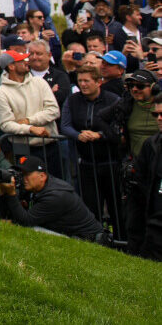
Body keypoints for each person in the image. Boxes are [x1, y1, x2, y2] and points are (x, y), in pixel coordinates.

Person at [59, 64, 126, 232]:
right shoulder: (73, 100)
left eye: (87, 81)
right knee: (90, 205)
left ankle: (120, 240)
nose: (83, 84)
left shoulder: (113, 100)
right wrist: (78, 135)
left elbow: (118, 129)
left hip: (110, 162)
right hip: (87, 163)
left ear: (98, 82)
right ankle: (95, 239)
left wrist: (99, 135)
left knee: (116, 206)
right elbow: (65, 126)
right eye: (80, 81)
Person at [0, 155, 107, 243]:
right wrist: (3, 194)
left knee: (28, 231)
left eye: (27, 174)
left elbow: (26, 221)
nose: (23, 178)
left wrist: (10, 194)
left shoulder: (55, 196)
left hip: (86, 241)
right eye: (21, 174)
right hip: (69, 234)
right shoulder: (35, 187)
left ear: (42, 176)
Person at [0, 49, 63, 176]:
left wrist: (29, 121)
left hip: (49, 145)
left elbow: (54, 111)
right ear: (11, 66)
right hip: (23, 149)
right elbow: (6, 124)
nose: (27, 61)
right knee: (27, 186)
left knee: (55, 183)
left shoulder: (39, 82)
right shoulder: (1, 92)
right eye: (22, 60)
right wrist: (30, 129)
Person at [126, 97, 162, 260]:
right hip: (154, 221)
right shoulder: (151, 145)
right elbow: (140, 184)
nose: (159, 119)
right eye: (156, 115)